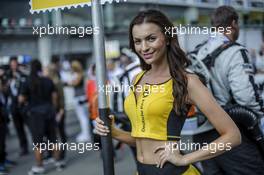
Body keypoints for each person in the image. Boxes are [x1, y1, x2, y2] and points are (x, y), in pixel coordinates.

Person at [95, 9, 241, 175]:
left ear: (168, 38)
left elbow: (233, 136)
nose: (144, 48)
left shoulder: (186, 82)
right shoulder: (137, 79)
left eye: (151, 39)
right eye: (137, 41)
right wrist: (115, 132)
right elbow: (144, 140)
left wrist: (186, 158)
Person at [192, 6, 264, 175]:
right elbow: (246, 98)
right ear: (233, 23)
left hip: (200, 136)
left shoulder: (198, 51)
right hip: (228, 133)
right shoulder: (235, 51)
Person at [19, 60, 61, 175]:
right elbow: (55, 96)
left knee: (38, 142)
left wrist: (24, 105)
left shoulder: (27, 81)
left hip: (36, 115)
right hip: (49, 112)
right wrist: (54, 109)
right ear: (40, 68)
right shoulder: (48, 80)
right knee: (53, 139)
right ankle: (58, 162)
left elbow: (21, 99)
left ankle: (40, 166)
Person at [6, 57, 29, 156]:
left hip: (23, 105)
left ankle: (41, 146)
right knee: (19, 128)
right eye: (12, 64)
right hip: (14, 106)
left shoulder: (22, 73)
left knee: (31, 126)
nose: (14, 66)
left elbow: (27, 85)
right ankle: (23, 147)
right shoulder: (7, 75)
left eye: (15, 64)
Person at [67, 60, 91, 142]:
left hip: (80, 97)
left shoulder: (79, 74)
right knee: (83, 117)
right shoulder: (79, 74)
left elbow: (75, 83)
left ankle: (86, 134)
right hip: (81, 97)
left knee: (83, 117)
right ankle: (85, 133)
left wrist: (69, 83)